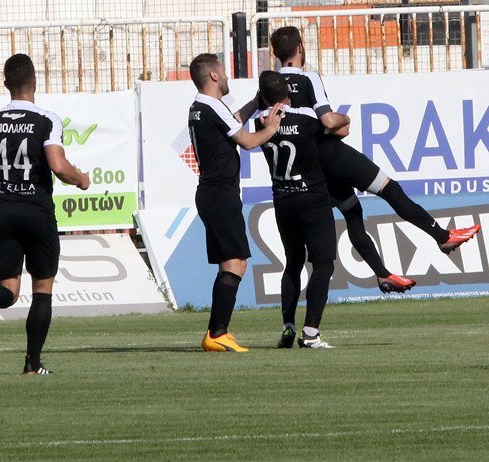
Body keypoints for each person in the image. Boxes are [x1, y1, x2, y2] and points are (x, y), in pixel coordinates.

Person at [237, 26, 480, 294]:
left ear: (275, 54)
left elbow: (238, 118)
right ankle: (443, 237)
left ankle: (383, 274)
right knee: (390, 189)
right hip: (332, 154)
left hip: (311, 170)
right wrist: (345, 119)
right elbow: (330, 122)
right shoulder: (308, 78)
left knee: (352, 213)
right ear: (300, 48)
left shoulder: (270, 87)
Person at [0, 53, 90, 375]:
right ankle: (32, 364)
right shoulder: (46, 120)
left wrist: (0, 174)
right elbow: (58, 166)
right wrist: (81, 179)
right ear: (34, 81)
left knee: (8, 290)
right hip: (36, 212)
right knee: (42, 290)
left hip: (3, 213)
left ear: (5, 83)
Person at [187, 53, 283, 352]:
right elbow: (247, 141)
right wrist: (271, 128)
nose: (227, 76)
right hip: (219, 194)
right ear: (214, 75)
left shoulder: (201, 107)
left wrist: (256, 102)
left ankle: (216, 333)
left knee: (229, 263)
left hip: (212, 193)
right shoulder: (212, 106)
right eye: (224, 71)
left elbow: (233, 122)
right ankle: (217, 333)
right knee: (236, 262)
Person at [256, 71, 340, 349]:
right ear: (289, 93)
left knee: (293, 262)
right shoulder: (307, 117)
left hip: (283, 200)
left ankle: (288, 327)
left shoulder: (260, 121)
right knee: (323, 264)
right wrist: (345, 118)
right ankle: (311, 333)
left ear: (262, 96)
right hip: (312, 198)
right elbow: (337, 128)